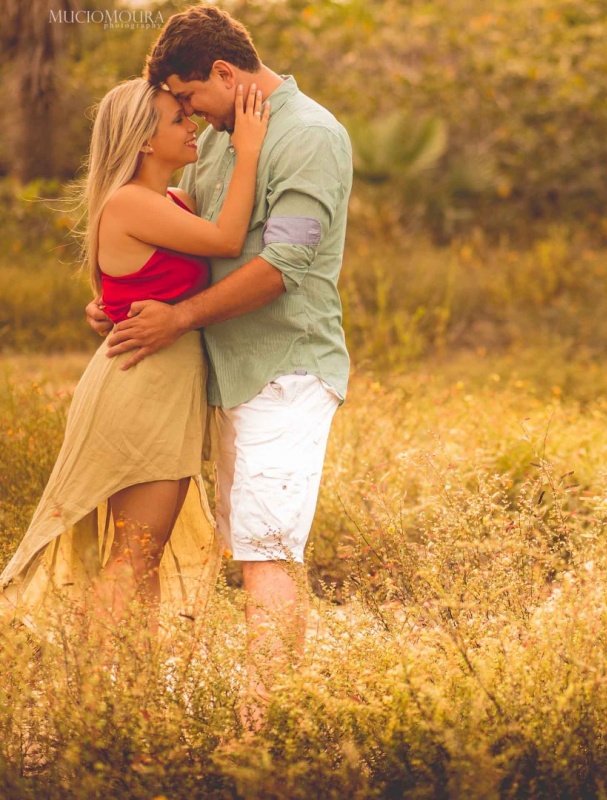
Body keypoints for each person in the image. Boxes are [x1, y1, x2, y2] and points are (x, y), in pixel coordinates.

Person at [86, 5, 353, 716]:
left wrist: (178, 317)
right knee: (239, 551)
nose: (190, 114)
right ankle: (123, 713)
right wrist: (124, 300)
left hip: (284, 373)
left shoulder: (309, 137)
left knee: (267, 553)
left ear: (225, 74)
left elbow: (283, 264)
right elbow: (187, 241)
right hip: (219, 377)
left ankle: (260, 734)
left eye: (190, 96)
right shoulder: (218, 141)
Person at [0, 78, 270, 637]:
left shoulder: (174, 201)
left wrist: (108, 306)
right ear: (145, 140)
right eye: (178, 119)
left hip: (164, 391)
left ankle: (130, 679)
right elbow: (226, 240)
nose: (192, 125)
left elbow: (146, 281)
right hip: (140, 389)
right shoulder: (129, 201)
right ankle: (100, 684)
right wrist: (247, 149)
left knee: (141, 554)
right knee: (134, 556)